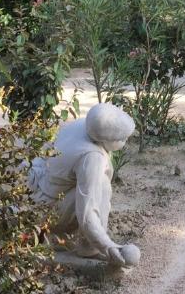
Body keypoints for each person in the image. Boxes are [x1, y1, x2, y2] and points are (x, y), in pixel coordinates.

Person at [28, 102, 137, 267]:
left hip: (37, 194)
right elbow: (87, 214)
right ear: (106, 140)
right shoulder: (92, 157)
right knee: (102, 186)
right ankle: (90, 248)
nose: (125, 141)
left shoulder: (82, 125)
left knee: (95, 185)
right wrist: (107, 246)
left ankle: (83, 242)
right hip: (46, 211)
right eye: (122, 139)